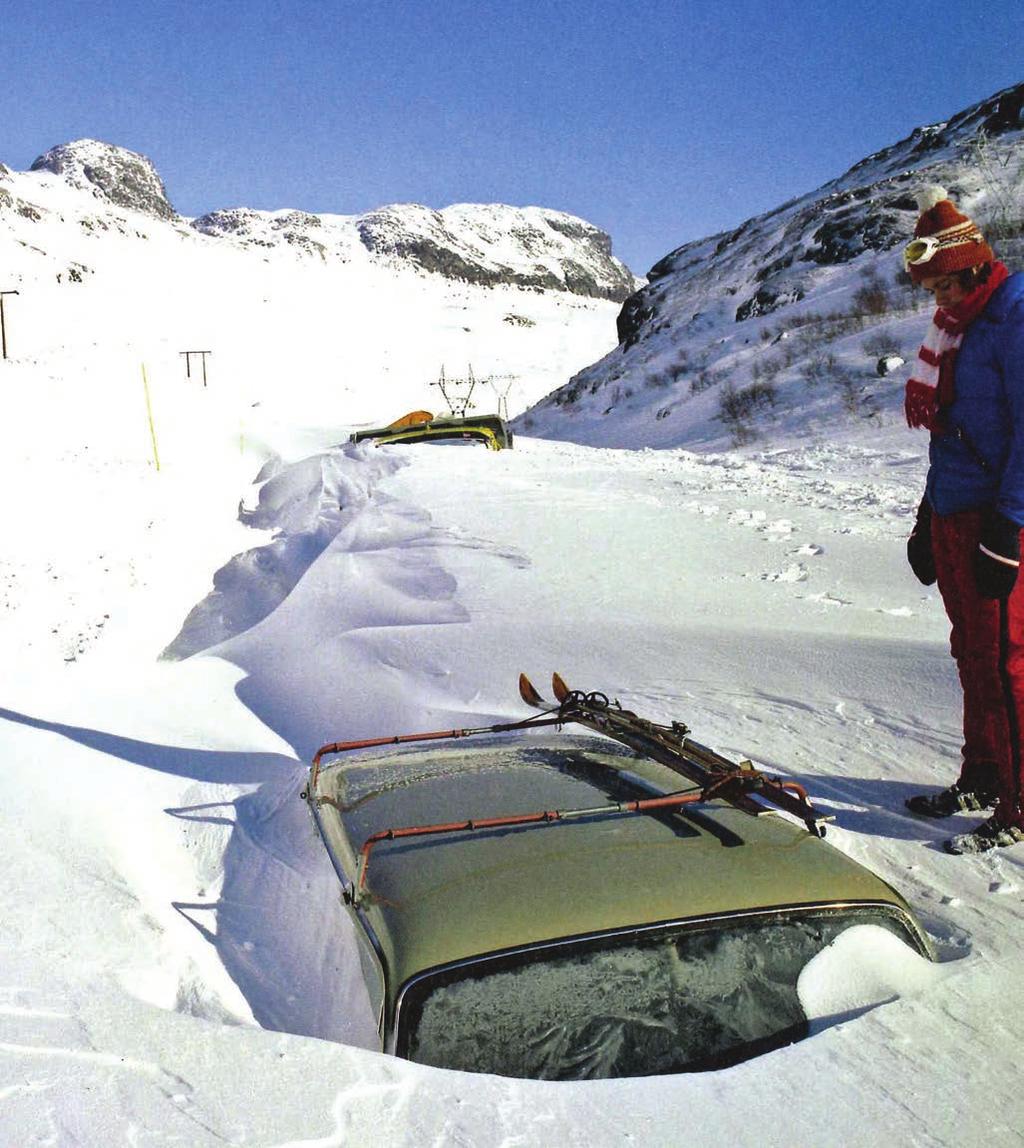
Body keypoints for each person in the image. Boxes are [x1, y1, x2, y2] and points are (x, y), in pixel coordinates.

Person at [901, 185, 1024, 853]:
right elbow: (946, 431)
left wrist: (1007, 527)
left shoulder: (1013, 317)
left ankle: (1020, 802)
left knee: (1009, 664)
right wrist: (927, 517)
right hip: (955, 511)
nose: (937, 300)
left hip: (999, 521)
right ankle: (981, 776)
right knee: (971, 654)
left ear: (975, 266)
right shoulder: (955, 330)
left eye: (945, 285)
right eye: (931, 289)